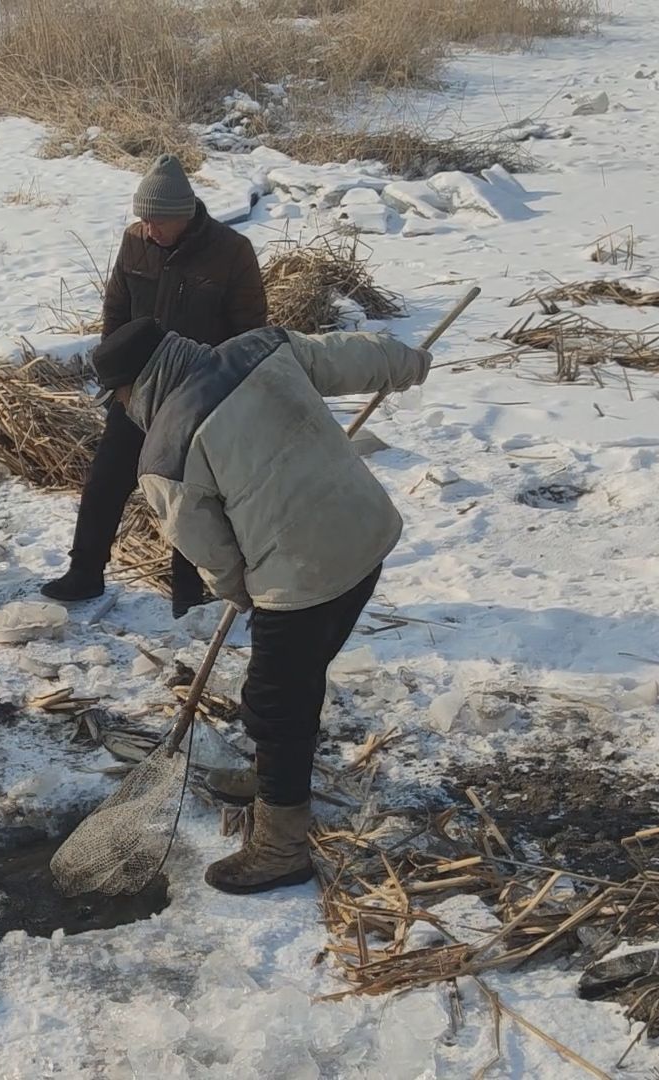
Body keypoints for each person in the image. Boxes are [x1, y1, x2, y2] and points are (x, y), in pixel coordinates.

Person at [91, 316, 431, 895]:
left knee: (276, 704)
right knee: (297, 679)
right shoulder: (260, 348)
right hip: (367, 536)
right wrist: (408, 364)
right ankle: (272, 776)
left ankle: (281, 846)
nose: (120, 408)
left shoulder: (165, 453)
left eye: (120, 396)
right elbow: (353, 354)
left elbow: (214, 555)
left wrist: (242, 592)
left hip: (302, 579)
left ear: (139, 385)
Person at [41, 154, 267, 615]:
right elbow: (115, 314)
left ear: (184, 214)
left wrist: (226, 394)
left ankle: (190, 588)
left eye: (157, 221)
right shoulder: (135, 243)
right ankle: (85, 571)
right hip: (136, 392)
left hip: (198, 397)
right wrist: (116, 378)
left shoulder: (232, 252)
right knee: (105, 480)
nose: (149, 229)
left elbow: (250, 333)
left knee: (191, 493)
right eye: (142, 219)